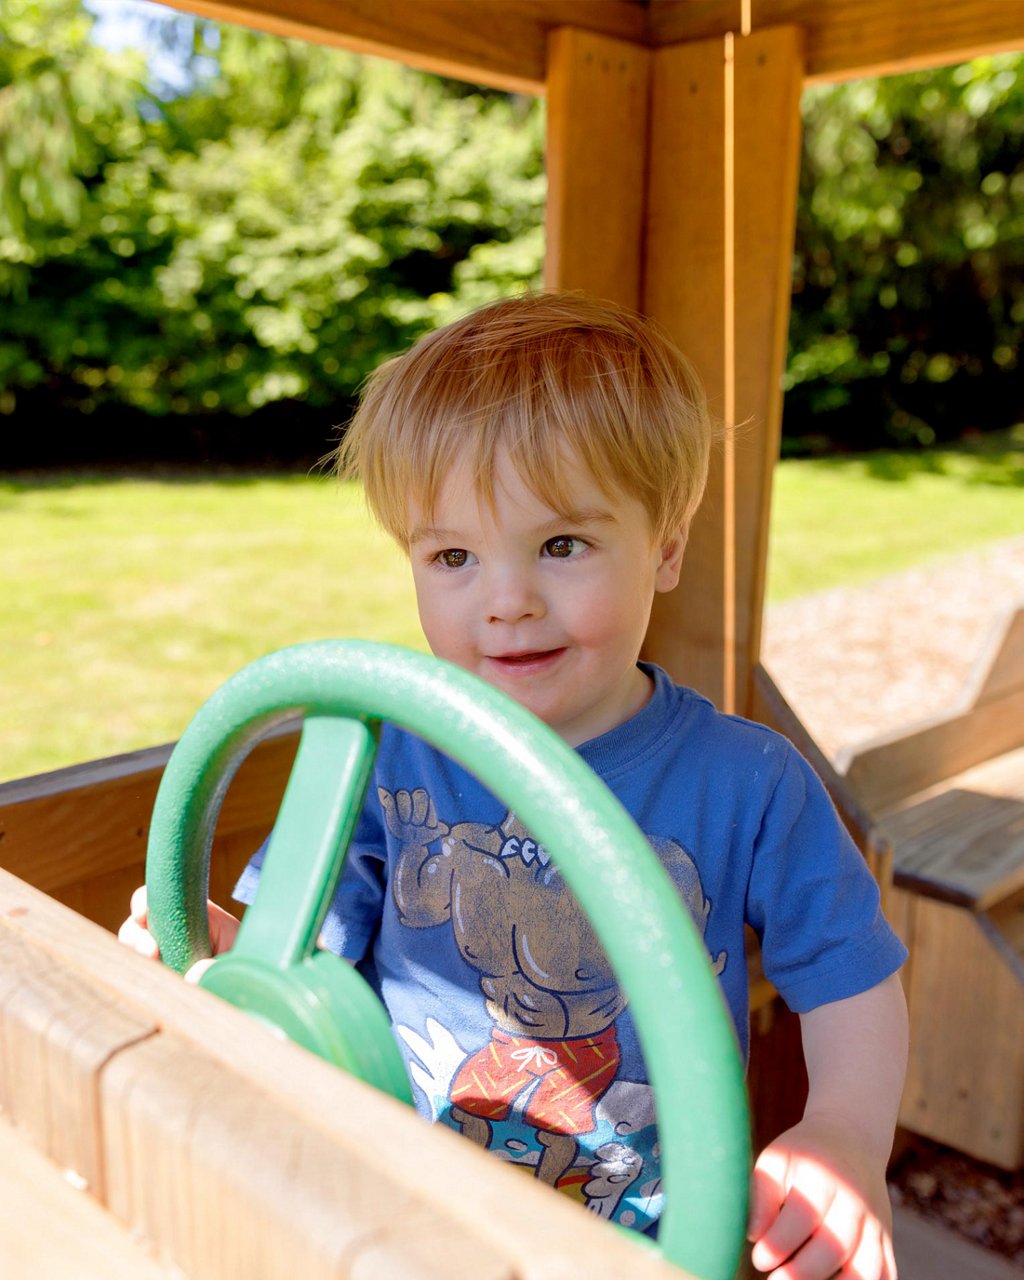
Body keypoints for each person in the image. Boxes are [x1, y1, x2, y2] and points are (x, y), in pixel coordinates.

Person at [121, 291, 909, 1280]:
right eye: (452, 555)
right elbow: (296, 950)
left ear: (665, 546)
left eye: (561, 544)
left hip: (635, 1241)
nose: (507, 601)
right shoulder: (383, 752)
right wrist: (215, 944)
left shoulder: (747, 781)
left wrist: (843, 1129)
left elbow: (849, 972)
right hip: (392, 1203)